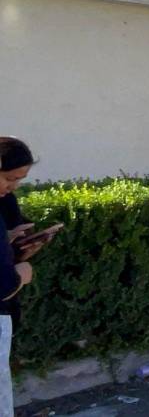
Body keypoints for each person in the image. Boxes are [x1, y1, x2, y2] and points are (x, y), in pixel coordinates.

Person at [0, 138, 36, 416]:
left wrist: (14, 242)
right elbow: (3, 285)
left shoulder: (5, 201)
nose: (13, 186)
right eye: (10, 178)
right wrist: (21, 275)